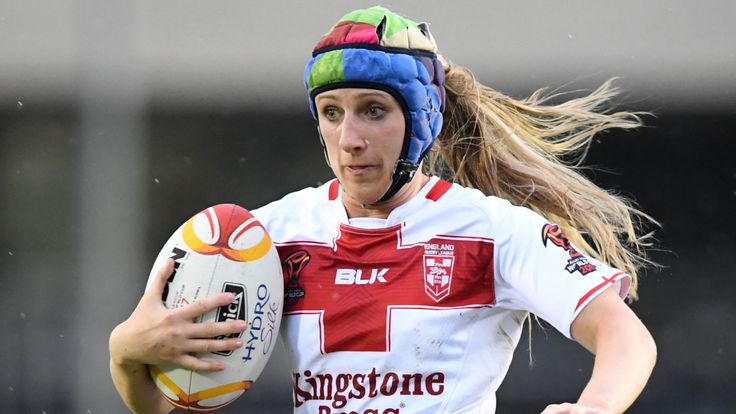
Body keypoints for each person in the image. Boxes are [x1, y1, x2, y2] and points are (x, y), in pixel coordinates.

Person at [109, 6, 657, 414]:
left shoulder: (494, 231)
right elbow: (170, 407)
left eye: (373, 111)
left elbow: (626, 337)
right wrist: (127, 353)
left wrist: (594, 409)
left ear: (423, 120)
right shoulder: (263, 238)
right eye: (331, 112)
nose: (349, 138)